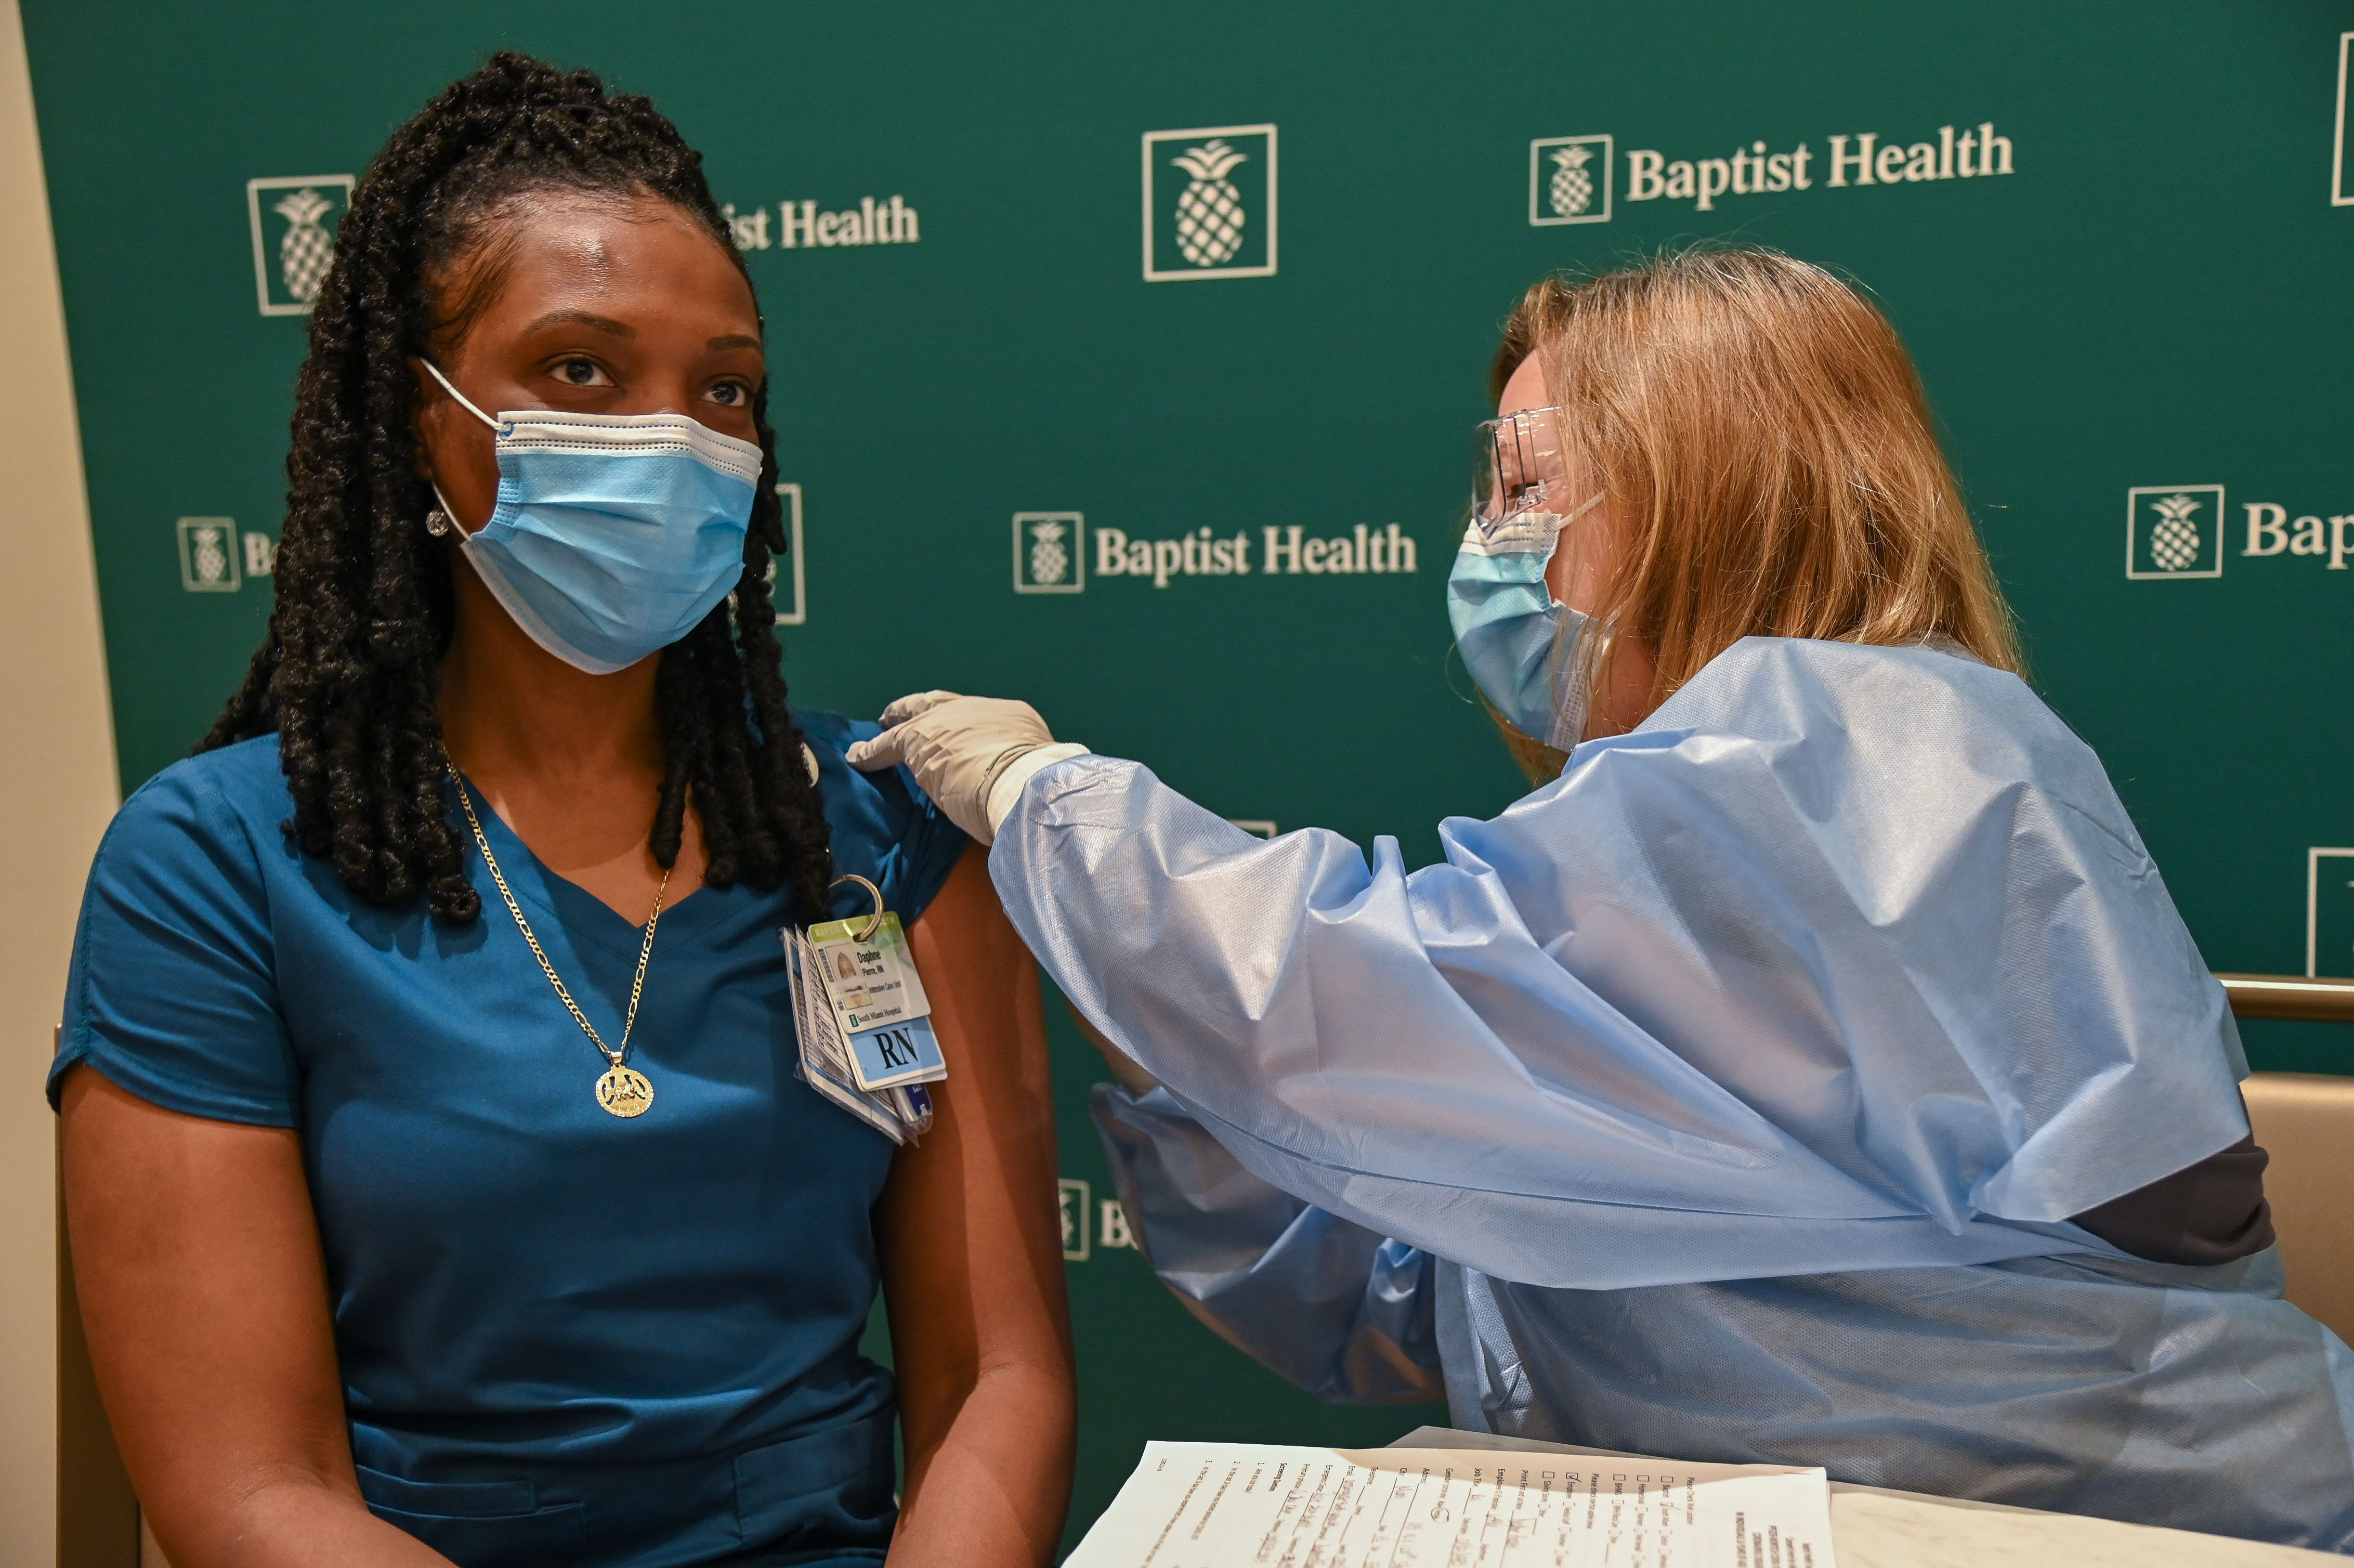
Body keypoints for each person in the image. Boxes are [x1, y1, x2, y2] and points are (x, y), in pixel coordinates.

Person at [848, 251, 2354, 1551]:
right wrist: (1176, 1051)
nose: (1486, 542)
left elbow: (1330, 997)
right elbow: (1428, 1294)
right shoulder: (1735, 795)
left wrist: (1052, 805)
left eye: (1526, 483)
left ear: (1711, 475)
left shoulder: (1846, 745)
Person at [54, 56, 1073, 1568]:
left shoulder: (877, 835)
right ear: (420, 418)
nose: (673, 438)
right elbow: (247, 1494)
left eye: (722, 388)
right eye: (583, 371)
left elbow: (997, 1380)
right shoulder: (212, 866)